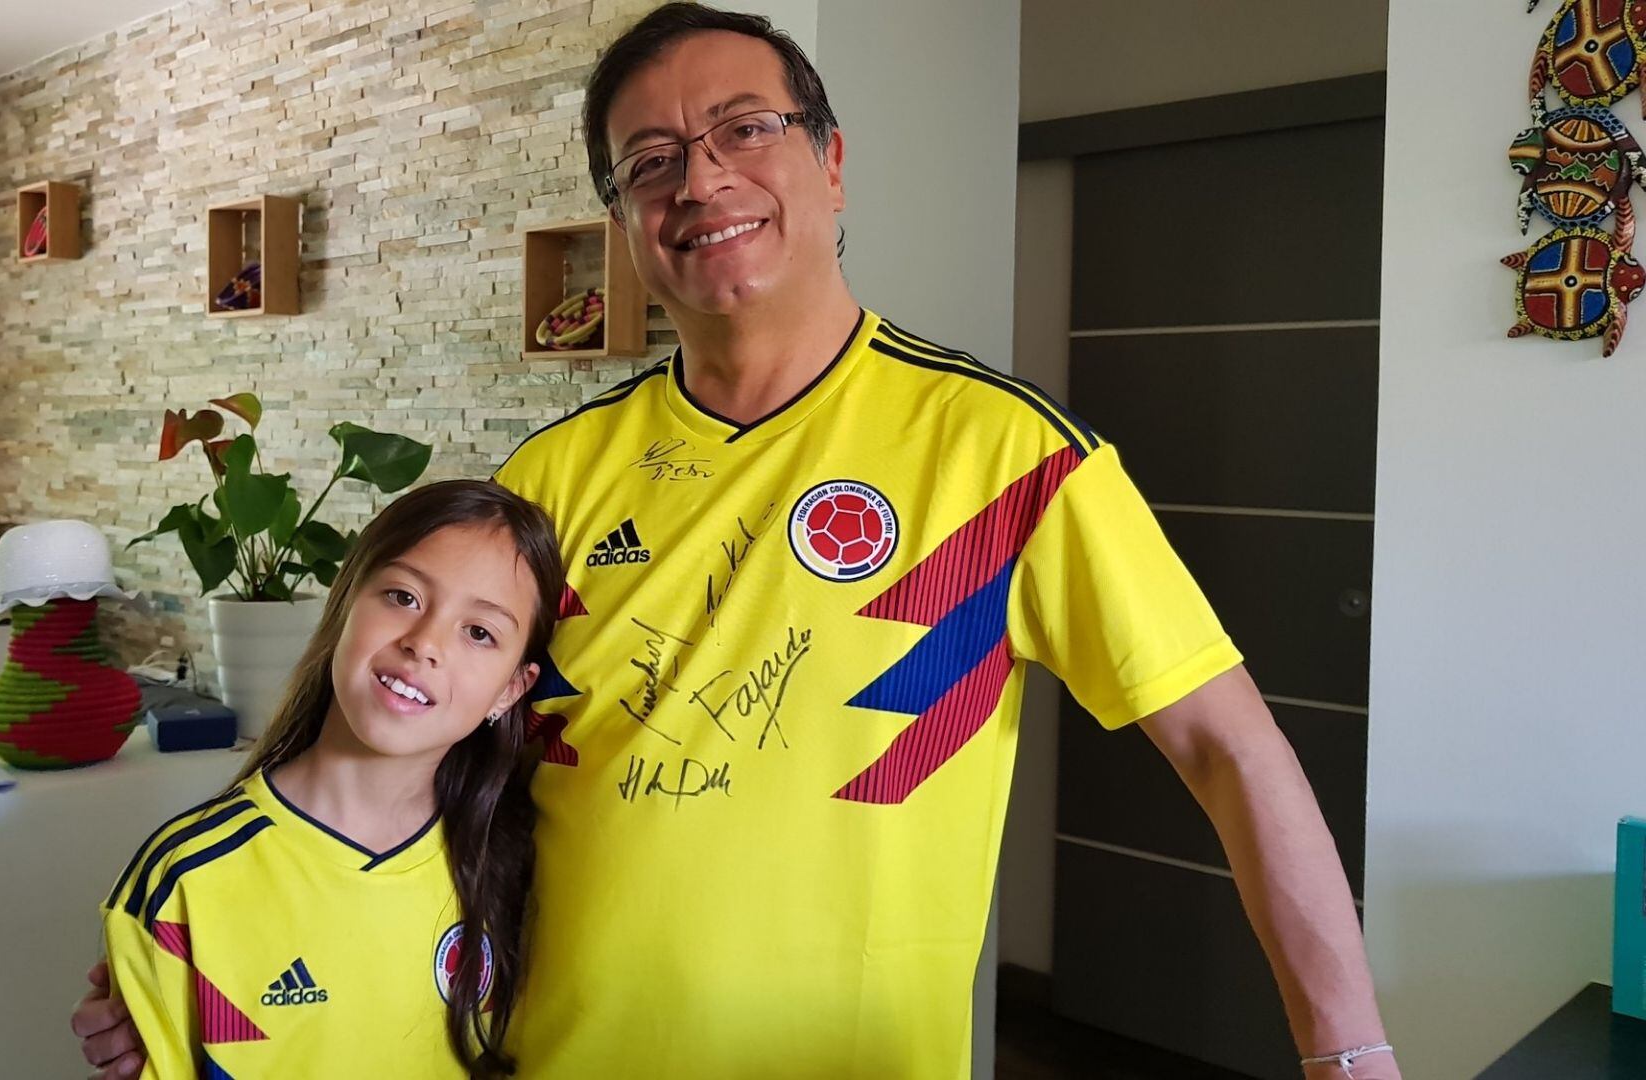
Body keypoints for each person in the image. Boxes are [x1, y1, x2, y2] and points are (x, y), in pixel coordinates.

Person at [80, 6, 1399, 1077]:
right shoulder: (553, 479)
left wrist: (1347, 1054)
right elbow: (422, 760)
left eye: (743, 130)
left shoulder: (1009, 457)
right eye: (649, 162)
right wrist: (211, 948)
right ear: (625, 224)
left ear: (831, 160)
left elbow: (1230, 746)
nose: (699, 179)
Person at [98, 480, 560, 1078]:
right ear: (343, 602)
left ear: (510, 689)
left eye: (479, 632)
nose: (424, 644)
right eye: (402, 596)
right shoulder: (184, 879)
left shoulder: (515, 872)